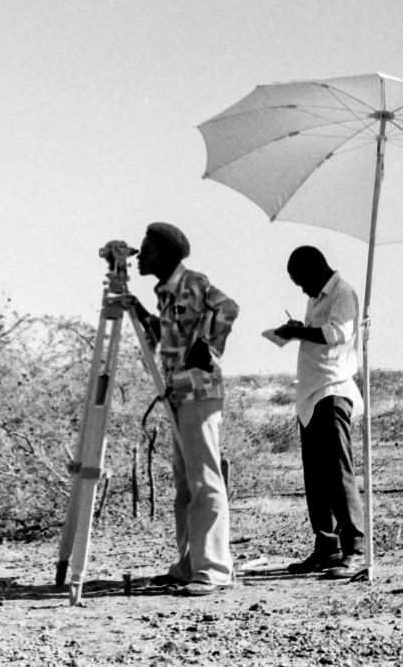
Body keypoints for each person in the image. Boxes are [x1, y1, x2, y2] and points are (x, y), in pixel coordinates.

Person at [126, 222, 239, 596]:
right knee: (186, 485)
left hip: (199, 392)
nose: (140, 257)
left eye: (147, 250)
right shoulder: (166, 293)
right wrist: (136, 308)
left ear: (166, 254)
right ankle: (191, 563)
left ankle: (214, 569)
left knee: (204, 480)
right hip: (177, 394)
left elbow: (228, 307)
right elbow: (163, 335)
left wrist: (209, 346)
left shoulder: (192, 282)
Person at [273, 246, 365, 579]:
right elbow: (319, 335)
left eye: (301, 282)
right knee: (316, 477)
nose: (302, 290)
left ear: (316, 270)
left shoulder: (342, 293)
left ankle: (355, 549)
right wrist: (300, 327)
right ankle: (327, 547)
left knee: (338, 474)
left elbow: (337, 334)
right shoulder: (317, 297)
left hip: (332, 390)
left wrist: (297, 332)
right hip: (310, 395)